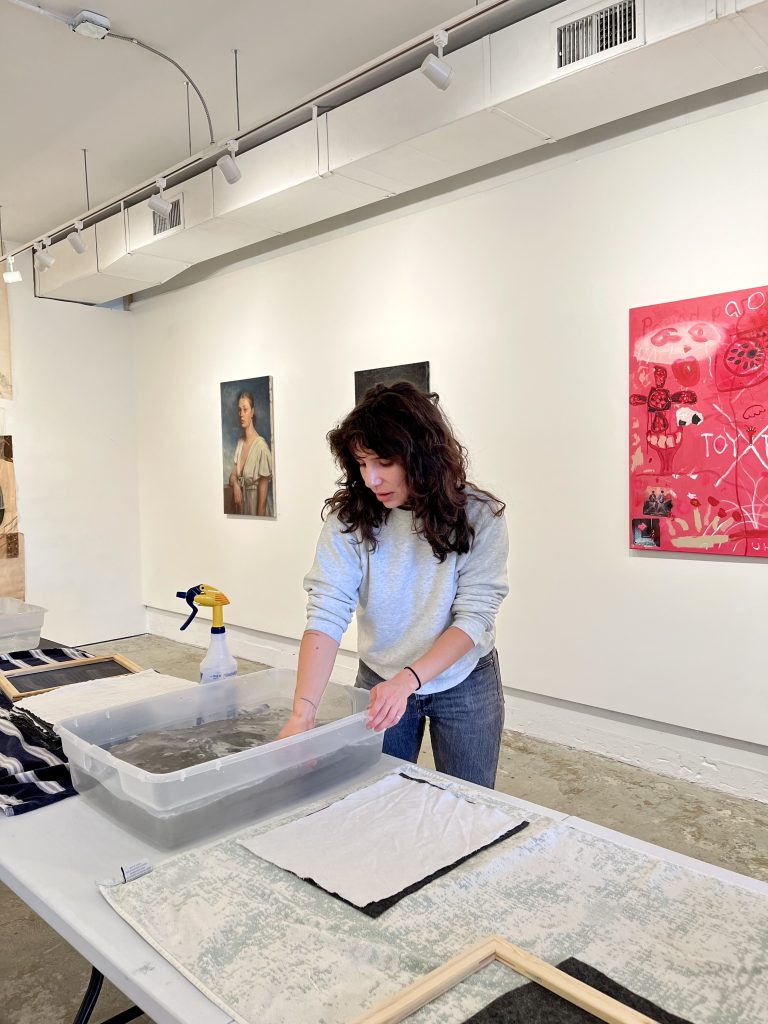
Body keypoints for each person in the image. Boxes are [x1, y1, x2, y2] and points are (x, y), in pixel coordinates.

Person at [278, 381, 509, 789]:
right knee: (374, 796)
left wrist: (409, 680)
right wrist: (303, 714)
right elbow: (327, 611)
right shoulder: (350, 520)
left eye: (384, 462)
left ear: (422, 456)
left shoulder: (479, 517)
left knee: (469, 803)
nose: (371, 479)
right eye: (362, 463)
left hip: (464, 681)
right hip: (380, 677)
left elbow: (474, 616)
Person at [228, 390, 273, 517]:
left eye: (245, 409)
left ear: (252, 412)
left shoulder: (262, 448)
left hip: (257, 511)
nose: (241, 414)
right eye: (239, 410)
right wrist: (236, 485)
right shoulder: (240, 443)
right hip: (242, 510)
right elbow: (232, 475)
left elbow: (262, 503)